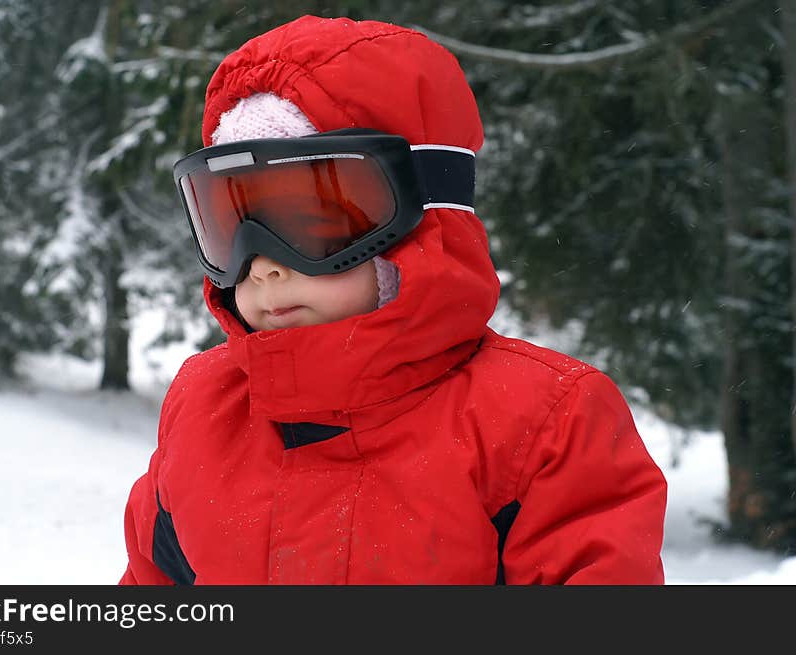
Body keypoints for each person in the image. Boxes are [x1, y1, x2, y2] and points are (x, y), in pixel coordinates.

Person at [120, 14, 667, 585]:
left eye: (309, 218)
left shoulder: (541, 423)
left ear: (419, 226)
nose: (264, 266)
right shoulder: (205, 410)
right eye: (234, 224)